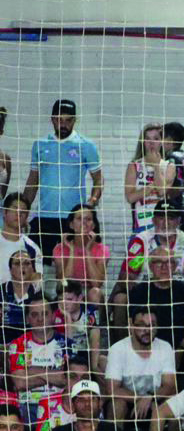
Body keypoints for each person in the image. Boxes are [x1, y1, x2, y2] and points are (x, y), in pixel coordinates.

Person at [25, 99, 103, 256]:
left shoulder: (86, 145)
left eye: (68, 120)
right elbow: (33, 181)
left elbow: (98, 179)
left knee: (71, 268)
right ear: (52, 119)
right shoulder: (40, 145)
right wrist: (23, 210)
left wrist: (92, 202)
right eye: (59, 119)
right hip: (44, 217)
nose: (63, 124)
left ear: (75, 120)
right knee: (40, 266)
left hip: (73, 220)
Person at [105, 307, 177, 427]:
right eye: (141, 325)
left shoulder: (165, 347)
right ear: (131, 326)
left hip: (155, 399)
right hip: (128, 401)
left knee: (174, 404)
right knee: (116, 405)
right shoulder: (117, 349)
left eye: (152, 325)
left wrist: (150, 397)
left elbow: (170, 386)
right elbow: (112, 390)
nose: (147, 330)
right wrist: (140, 399)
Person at [8, 294, 70, 426]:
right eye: (35, 314)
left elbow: (69, 380)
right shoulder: (17, 345)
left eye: (45, 314)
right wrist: (55, 375)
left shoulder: (67, 345)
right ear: (27, 318)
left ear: (53, 316)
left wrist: (30, 371)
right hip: (28, 406)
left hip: (59, 406)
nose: (40, 319)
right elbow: (19, 383)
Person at [128, 246, 184, 354]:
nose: (164, 267)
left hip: (177, 351)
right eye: (158, 262)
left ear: (174, 267)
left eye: (169, 262)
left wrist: (180, 351)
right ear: (151, 266)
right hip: (146, 349)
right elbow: (132, 328)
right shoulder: (139, 291)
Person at [51, 203, 109, 305]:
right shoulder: (59, 248)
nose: (84, 223)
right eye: (79, 218)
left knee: (96, 293)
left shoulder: (102, 249)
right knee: (66, 293)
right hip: (68, 293)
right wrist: (72, 250)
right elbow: (64, 283)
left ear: (94, 225)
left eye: (88, 219)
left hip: (89, 293)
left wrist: (87, 251)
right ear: (71, 224)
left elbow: (97, 283)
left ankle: (93, 321)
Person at [124, 121, 174, 232]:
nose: (151, 142)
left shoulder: (169, 166)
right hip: (141, 225)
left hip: (163, 226)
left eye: (156, 138)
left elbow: (161, 191)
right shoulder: (134, 165)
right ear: (143, 142)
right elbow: (130, 197)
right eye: (147, 138)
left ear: (161, 142)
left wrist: (156, 166)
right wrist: (151, 187)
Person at [0, 194, 41, 290]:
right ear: (5, 212)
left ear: (26, 217)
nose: (19, 213)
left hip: (18, 298)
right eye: (15, 209)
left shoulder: (32, 248)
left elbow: (38, 280)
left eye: (23, 212)